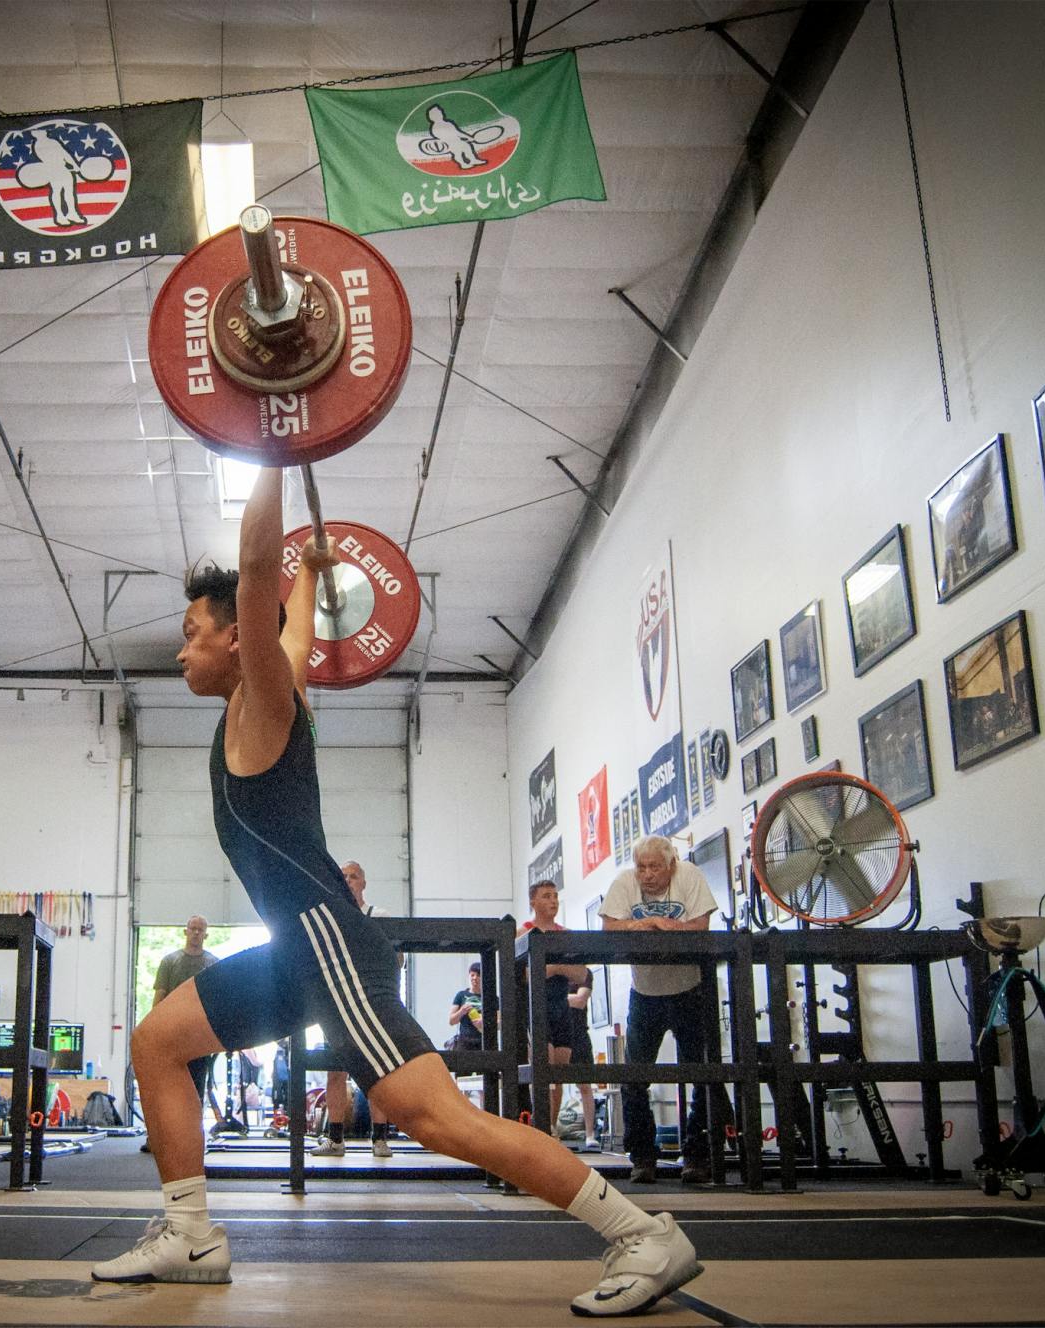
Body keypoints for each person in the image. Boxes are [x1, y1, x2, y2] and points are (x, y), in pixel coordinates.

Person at [93, 464, 699, 1316]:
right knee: (159, 1041)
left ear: (239, 642)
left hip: (331, 949)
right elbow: (291, 610)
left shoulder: (266, 698)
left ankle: (643, 1232)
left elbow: (261, 580)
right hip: (293, 952)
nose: (180, 646)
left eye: (193, 630)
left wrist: (270, 443)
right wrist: (313, 566)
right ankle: (190, 1232)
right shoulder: (274, 682)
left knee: (436, 1119)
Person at [601, 835, 733, 1186]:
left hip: (691, 988)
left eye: (655, 867)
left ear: (670, 865)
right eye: (641, 867)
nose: (647, 875)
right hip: (645, 991)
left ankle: (698, 1155)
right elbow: (609, 928)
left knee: (703, 1074)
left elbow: (700, 928)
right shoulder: (624, 882)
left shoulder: (689, 876)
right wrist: (642, 924)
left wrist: (668, 925)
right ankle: (643, 1157)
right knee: (634, 1078)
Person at [314, 861, 395, 1159]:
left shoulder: (379, 916)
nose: (348, 881)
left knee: (379, 1073)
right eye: (344, 877)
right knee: (335, 1072)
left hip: (372, 1005)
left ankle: (380, 1139)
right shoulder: (329, 918)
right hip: (337, 1005)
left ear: (363, 883)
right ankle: (335, 1139)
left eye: (354, 876)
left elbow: (395, 960)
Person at [522, 880, 601, 1151]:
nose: (553, 901)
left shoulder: (566, 934)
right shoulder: (525, 933)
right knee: (543, 1065)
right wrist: (559, 967)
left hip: (560, 1008)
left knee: (559, 1071)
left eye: (555, 896)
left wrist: (553, 967)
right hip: (536, 1007)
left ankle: (551, 1128)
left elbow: (582, 974)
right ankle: (540, 1126)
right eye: (546, 896)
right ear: (533, 902)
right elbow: (526, 975)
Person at [147, 916, 223, 1149]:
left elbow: (218, 1002)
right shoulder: (169, 962)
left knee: (196, 1088)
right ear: (185, 931)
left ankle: (191, 1140)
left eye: (201, 930)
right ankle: (159, 1138)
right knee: (167, 1090)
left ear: (206, 935)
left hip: (199, 1037)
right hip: (172, 1034)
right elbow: (159, 998)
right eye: (193, 928)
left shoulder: (213, 963)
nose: (196, 933)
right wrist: (154, 1030)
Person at [446, 961, 487, 1052]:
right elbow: (451, 1021)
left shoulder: (490, 997)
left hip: (485, 1041)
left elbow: (500, 1021)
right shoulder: (461, 995)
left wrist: (484, 1022)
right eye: (472, 975)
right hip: (464, 1041)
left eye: (478, 975)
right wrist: (461, 1011)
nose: (475, 978)